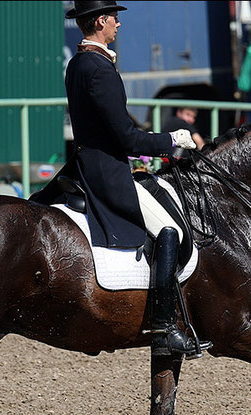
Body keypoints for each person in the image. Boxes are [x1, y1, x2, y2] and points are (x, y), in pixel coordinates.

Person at [64, 0, 211, 357]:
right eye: (114, 18)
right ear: (100, 21)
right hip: (107, 173)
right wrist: (171, 140)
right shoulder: (98, 68)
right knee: (169, 231)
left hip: (86, 164)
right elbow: (127, 138)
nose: (119, 24)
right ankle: (164, 328)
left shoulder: (78, 63)